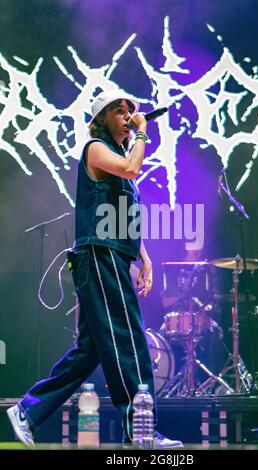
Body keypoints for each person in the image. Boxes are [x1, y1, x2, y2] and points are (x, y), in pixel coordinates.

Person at [7, 89, 183, 449]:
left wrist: (143, 258)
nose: (127, 116)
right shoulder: (96, 149)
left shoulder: (120, 154)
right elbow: (132, 168)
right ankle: (141, 432)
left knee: (90, 350)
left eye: (130, 111)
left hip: (114, 255)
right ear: (100, 119)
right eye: (119, 111)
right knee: (128, 340)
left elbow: (124, 215)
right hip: (98, 256)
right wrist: (144, 132)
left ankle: (28, 410)